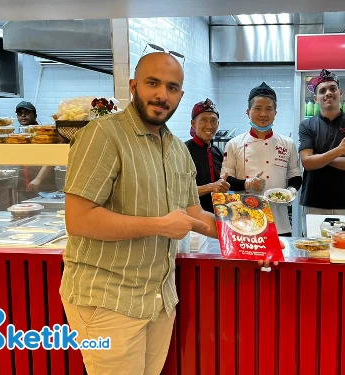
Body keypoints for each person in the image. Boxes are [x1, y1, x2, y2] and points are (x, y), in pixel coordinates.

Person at [60, 52, 220, 375]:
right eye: (153, 83)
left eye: (172, 87)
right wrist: (160, 226)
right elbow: (78, 218)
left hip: (159, 300)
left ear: (181, 95)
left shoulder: (176, 149)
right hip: (108, 300)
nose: (162, 95)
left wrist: (248, 237)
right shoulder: (102, 135)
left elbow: (192, 211)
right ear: (134, 85)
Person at [221, 82, 302, 236]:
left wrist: (290, 191)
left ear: (275, 113)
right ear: (248, 112)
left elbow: (295, 176)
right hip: (244, 221)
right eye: (258, 108)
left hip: (280, 223)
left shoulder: (288, 144)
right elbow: (225, 179)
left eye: (268, 109)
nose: (263, 114)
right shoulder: (234, 144)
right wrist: (247, 183)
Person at [298, 70, 345, 226]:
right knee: (314, 249)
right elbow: (307, 163)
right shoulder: (307, 125)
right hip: (314, 202)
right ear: (315, 98)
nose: (328, 93)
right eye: (322, 91)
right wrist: (339, 151)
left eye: (332, 88)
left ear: (340, 93)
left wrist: (320, 158)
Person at [185, 98, 236, 213]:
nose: (209, 126)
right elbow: (178, 190)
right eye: (203, 120)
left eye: (213, 121)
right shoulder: (184, 151)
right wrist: (210, 187)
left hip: (220, 213)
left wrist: (248, 182)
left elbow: (223, 181)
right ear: (193, 124)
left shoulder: (217, 151)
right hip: (193, 217)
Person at [14, 101, 57, 201]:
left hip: (44, 186)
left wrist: (39, 178)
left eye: (27, 112)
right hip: (24, 186)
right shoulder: (20, 135)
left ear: (35, 115)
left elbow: (52, 157)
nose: (23, 115)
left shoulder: (44, 133)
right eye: (20, 113)